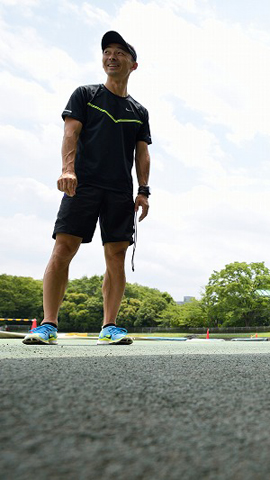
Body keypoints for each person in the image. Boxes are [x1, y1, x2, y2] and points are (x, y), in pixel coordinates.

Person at [23, 31, 152, 346]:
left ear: (133, 65)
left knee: (116, 255)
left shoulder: (139, 111)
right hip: (84, 184)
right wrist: (68, 169)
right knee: (64, 248)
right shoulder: (85, 94)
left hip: (120, 191)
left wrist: (143, 191)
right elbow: (71, 132)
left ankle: (110, 326)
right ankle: (48, 324)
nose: (111, 56)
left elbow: (142, 153)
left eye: (119, 52)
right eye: (107, 51)